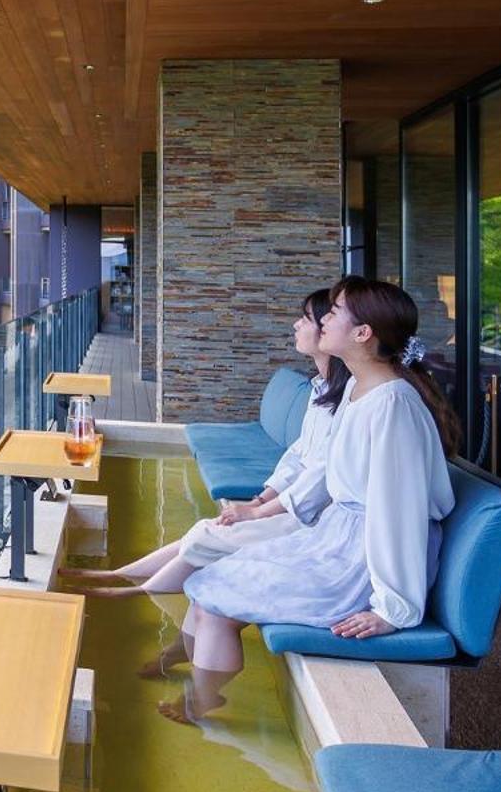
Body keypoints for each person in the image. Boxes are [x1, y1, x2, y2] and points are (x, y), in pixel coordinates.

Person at [162, 276, 459, 724]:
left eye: (335, 312)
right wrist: (263, 508)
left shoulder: (391, 405)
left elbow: (397, 513)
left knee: (216, 598)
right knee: (211, 584)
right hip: (337, 540)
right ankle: (200, 694)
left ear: (363, 334)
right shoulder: (361, 393)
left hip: (361, 561)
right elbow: (323, 473)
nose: (324, 320)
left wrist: (393, 608)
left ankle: (201, 704)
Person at [60, 289, 351, 678]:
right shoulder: (320, 390)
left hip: (311, 523)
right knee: (205, 532)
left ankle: (133, 592)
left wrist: (256, 510)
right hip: (292, 508)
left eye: (309, 318)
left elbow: (321, 477)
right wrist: (262, 496)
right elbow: (299, 456)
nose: (298, 325)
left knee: (207, 544)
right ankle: (123, 579)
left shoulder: (352, 402)